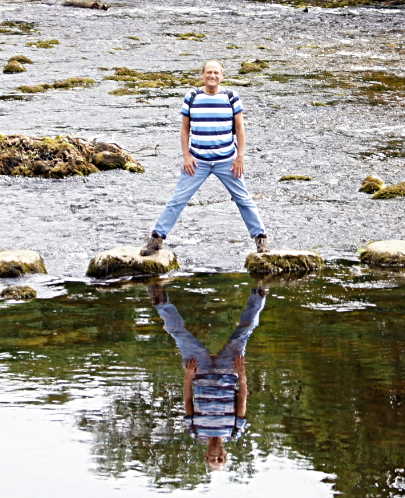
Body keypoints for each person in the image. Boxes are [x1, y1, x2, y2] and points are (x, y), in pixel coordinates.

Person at [140, 59, 268, 256]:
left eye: (216, 73)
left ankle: (260, 238)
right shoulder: (191, 97)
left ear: (222, 76)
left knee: (243, 199)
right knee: (178, 199)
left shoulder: (231, 97)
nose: (212, 76)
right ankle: (157, 238)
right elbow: (184, 129)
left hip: (227, 160)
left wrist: (240, 157)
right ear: (202, 74)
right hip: (197, 161)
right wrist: (186, 156)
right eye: (209, 72)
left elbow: (240, 129)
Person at [148, 283, 267, 469]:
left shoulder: (195, 431)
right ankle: (259, 292)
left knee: (179, 335)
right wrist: (242, 374)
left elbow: (188, 400)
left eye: (213, 460)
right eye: (220, 459)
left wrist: (188, 376)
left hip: (199, 371)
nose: (216, 457)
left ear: (206, 456)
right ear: (225, 455)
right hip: (228, 371)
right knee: (244, 332)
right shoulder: (235, 431)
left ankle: (160, 301)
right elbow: (242, 399)